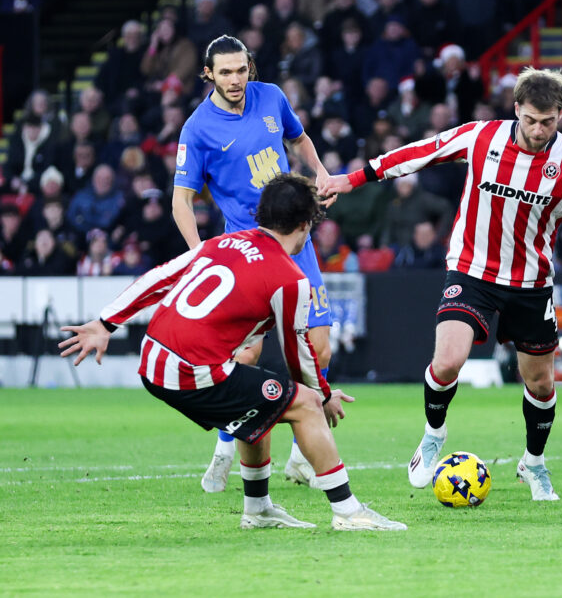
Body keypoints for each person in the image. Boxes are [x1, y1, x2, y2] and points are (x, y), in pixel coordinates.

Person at [318, 67, 562, 501]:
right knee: (447, 361)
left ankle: (533, 464)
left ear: (561, 116)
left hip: (532, 282)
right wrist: (353, 178)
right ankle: (433, 435)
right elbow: (420, 152)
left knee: (540, 383)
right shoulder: (482, 138)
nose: (538, 131)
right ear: (516, 109)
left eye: (549, 122)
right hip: (472, 270)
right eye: (531, 120)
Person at [59, 175, 405, 531]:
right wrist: (324, 394)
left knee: (260, 401)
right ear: (305, 225)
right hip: (190, 370)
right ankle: (349, 512)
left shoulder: (220, 242)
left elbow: (160, 276)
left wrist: (105, 324)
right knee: (304, 403)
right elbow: (295, 354)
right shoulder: (290, 279)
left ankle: (258, 509)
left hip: (153, 358)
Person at [172, 35, 336, 493]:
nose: (235, 79)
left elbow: (299, 137)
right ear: (209, 74)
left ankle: (302, 460)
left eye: (241, 70)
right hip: (247, 249)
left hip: (295, 241)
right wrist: (197, 252)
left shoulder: (272, 98)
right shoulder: (197, 128)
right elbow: (181, 201)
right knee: (244, 354)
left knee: (319, 350)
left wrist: (320, 171)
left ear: (250, 68)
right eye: (224, 72)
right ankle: (226, 447)